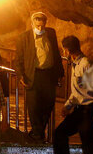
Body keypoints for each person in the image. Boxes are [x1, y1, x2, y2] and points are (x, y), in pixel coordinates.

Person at [15, 11, 64, 141]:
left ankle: (38, 131)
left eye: (42, 25)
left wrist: (60, 73)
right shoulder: (23, 37)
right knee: (33, 105)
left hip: (48, 74)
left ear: (45, 24)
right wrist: (21, 75)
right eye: (37, 26)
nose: (40, 28)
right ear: (32, 24)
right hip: (33, 74)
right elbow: (18, 59)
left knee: (49, 103)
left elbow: (56, 53)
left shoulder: (51, 33)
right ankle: (38, 132)